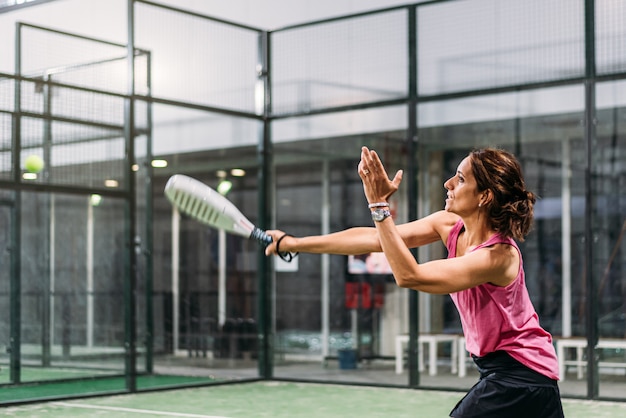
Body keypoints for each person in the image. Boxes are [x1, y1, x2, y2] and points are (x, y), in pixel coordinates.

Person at [265, 146, 564, 418]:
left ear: (484, 196)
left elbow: (410, 275)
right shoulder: (449, 226)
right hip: (512, 374)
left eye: (460, 179)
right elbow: (374, 239)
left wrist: (379, 205)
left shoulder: (498, 256)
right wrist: (294, 243)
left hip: (522, 376)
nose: (448, 184)